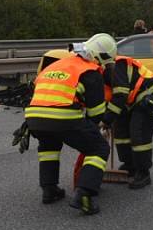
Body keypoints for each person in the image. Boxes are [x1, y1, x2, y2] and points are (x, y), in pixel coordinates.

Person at [24, 33, 114, 215]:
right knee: (98, 148)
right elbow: (95, 113)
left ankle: (49, 190)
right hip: (62, 116)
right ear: (101, 57)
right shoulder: (90, 71)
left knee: (49, 146)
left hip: (33, 116)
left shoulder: (58, 64)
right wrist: (95, 129)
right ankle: (85, 195)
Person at [102, 54, 153, 189]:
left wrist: (106, 120)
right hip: (129, 97)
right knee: (120, 131)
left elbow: (120, 96)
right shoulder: (96, 70)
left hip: (147, 93)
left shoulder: (115, 67)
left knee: (138, 133)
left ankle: (143, 172)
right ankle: (130, 164)